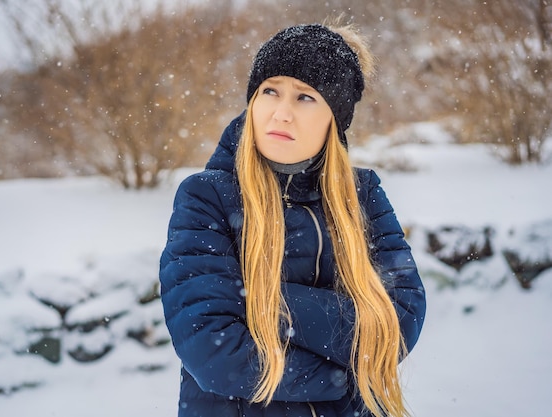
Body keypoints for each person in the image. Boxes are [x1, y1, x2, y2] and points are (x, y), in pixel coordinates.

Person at [159, 21, 426, 417]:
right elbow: (213, 350)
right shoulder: (207, 196)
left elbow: (401, 319)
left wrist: (263, 300)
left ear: (333, 119)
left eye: (304, 97)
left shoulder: (363, 195)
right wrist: (346, 374)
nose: (281, 113)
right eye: (270, 91)